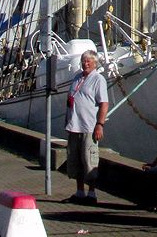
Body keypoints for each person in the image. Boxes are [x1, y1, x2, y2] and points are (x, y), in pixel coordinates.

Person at [64, 51, 108, 204]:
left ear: (95, 63)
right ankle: (79, 192)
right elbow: (71, 101)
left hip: (89, 127)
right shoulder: (77, 78)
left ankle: (92, 193)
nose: (86, 64)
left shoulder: (98, 79)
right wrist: (67, 120)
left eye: (89, 61)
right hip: (74, 126)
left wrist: (99, 125)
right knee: (75, 160)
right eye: (83, 61)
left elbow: (104, 103)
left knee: (89, 160)